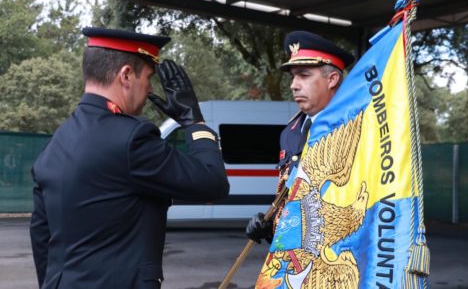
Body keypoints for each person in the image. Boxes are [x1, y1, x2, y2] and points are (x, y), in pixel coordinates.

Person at [29, 27, 229, 289]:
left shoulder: (55, 143)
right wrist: (195, 123)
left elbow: (41, 235)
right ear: (126, 75)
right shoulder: (132, 138)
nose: (148, 90)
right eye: (148, 77)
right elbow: (213, 183)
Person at [245, 31, 354, 244]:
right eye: (293, 76)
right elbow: (292, 197)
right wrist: (271, 225)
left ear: (332, 79)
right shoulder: (291, 132)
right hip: (298, 261)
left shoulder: (357, 129)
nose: (293, 85)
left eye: (304, 75)